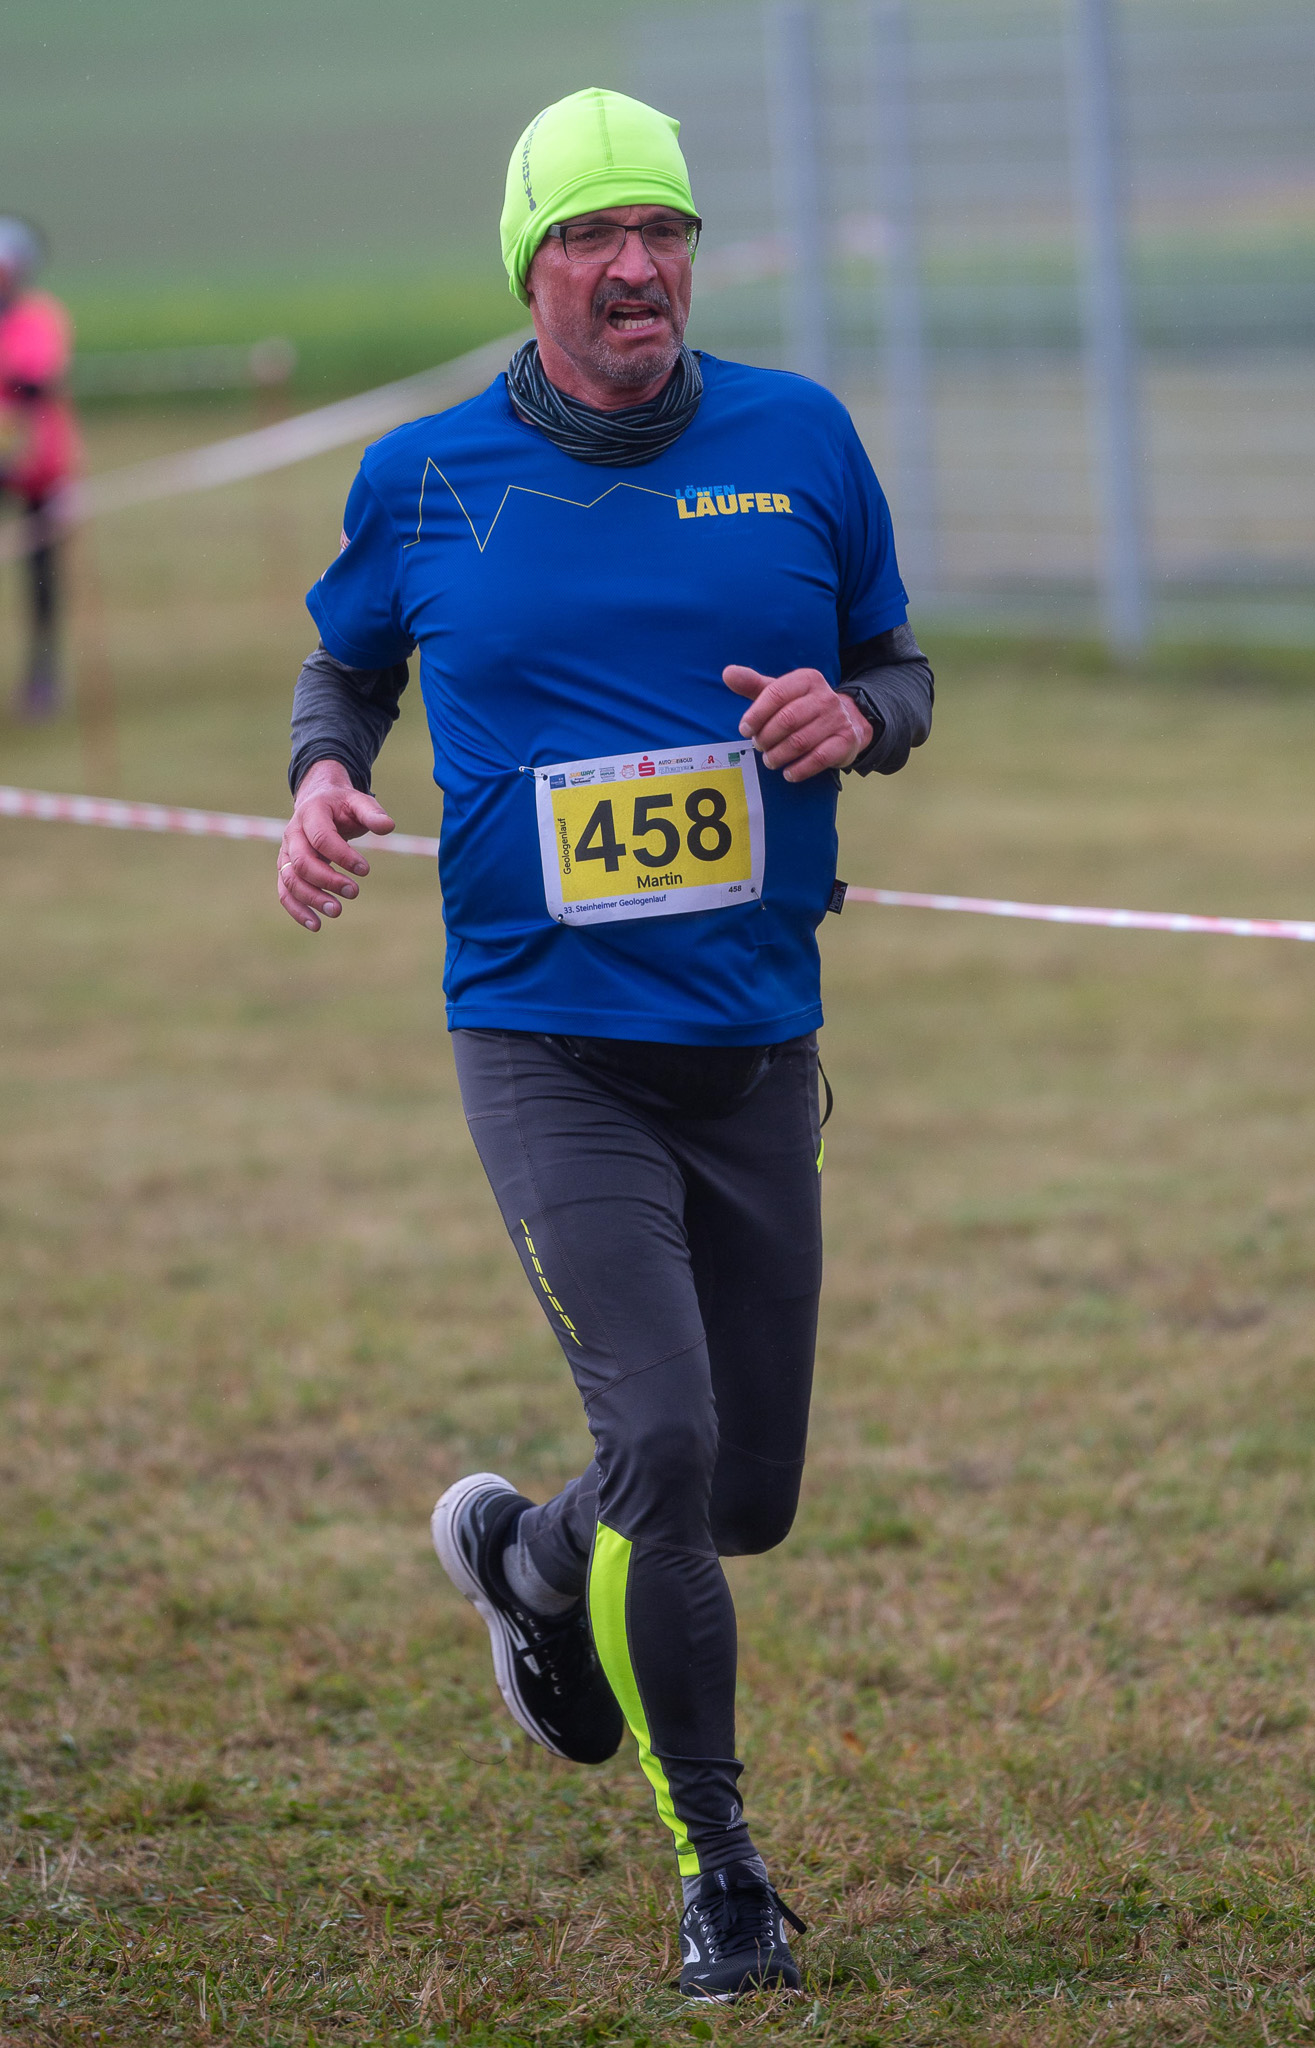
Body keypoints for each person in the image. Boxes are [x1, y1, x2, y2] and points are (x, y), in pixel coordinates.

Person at [279, 87, 933, 2002]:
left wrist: (856, 719)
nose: (633, 265)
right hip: (544, 1039)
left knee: (738, 1494)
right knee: (661, 1434)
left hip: (754, 1034)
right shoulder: (425, 478)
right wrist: (321, 774)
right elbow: (348, 662)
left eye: (661, 229)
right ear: (530, 267)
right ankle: (722, 1873)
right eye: (588, 234)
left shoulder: (799, 440)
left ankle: (532, 1561)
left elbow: (895, 667)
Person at [0, 217, 80, 719]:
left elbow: (33, 383)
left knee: (42, 580)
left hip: (40, 466)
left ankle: (42, 679)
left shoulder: (38, 318)